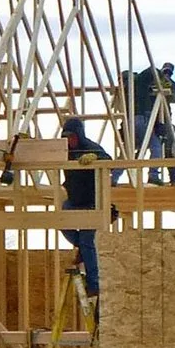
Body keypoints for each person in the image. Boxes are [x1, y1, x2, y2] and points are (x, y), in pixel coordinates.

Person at [57, 116, 111, 296]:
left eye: (72, 137)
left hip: (92, 202)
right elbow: (45, 153)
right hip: (74, 201)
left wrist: (98, 158)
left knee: (88, 241)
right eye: (66, 137)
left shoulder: (90, 148)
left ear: (79, 135)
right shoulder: (64, 150)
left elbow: (110, 161)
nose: (69, 141)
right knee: (62, 221)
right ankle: (82, 247)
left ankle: (94, 284)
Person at [129, 62, 175, 184]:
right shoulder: (149, 82)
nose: (167, 74)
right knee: (144, 146)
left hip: (163, 116)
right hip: (149, 116)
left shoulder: (172, 84)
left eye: (169, 72)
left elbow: (173, 97)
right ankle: (137, 172)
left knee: (168, 147)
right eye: (165, 71)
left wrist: (167, 83)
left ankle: (174, 177)